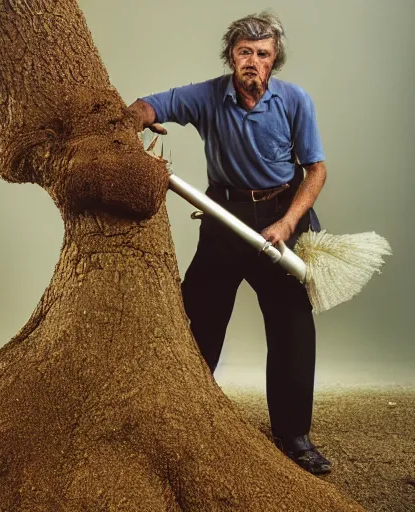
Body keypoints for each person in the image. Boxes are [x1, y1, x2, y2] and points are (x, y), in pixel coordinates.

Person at [128, 11, 331, 475]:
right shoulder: (206, 97)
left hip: (281, 219)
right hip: (223, 217)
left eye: (262, 54)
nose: (252, 61)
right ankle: (181, 422)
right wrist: (134, 119)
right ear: (231, 55)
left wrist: (287, 224)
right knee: (197, 320)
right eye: (244, 52)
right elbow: (147, 105)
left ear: (274, 59)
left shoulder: (295, 101)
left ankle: (293, 434)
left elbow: (316, 169)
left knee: (292, 328)